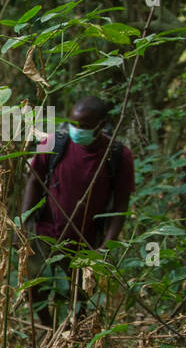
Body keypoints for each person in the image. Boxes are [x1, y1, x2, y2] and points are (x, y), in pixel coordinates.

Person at [20, 95, 134, 326]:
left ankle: (74, 335)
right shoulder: (54, 143)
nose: (76, 130)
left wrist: (106, 247)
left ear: (100, 126)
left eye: (83, 126)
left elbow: (121, 203)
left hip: (86, 240)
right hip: (45, 231)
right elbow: (34, 181)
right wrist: (22, 225)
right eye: (72, 123)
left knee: (81, 294)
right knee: (33, 286)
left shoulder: (118, 155)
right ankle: (49, 329)